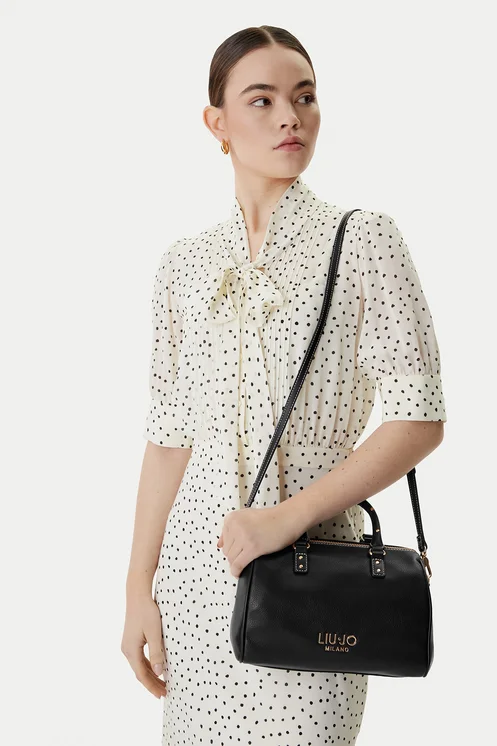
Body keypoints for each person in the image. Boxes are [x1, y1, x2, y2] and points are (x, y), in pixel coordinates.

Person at [122, 24, 447, 746]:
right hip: (196, 586)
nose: (289, 118)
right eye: (261, 100)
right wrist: (137, 588)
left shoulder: (363, 239)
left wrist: (284, 518)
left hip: (313, 578)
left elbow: (419, 418)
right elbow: (168, 439)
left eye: (304, 97)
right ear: (217, 123)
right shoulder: (183, 264)